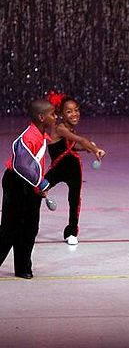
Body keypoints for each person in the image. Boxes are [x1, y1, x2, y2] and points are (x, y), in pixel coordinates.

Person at [0, 99, 57, 279]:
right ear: (41, 117)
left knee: (30, 227)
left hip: (29, 183)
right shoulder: (29, 137)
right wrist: (39, 183)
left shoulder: (41, 135)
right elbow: (22, 165)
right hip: (17, 183)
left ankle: (23, 267)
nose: (56, 117)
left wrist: (37, 184)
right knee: (10, 228)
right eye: (52, 114)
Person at [45, 91, 106, 245]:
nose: (75, 114)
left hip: (74, 169)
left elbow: (73, 145)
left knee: (74, 200)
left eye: (77, 110)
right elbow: (79, 139)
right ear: (60, 114)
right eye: (69, 111)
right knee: (37, 190)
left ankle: (71, 232)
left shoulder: (69, 128)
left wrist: (86, 148)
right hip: (57, 170)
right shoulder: (60, 128)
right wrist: (94, 149)